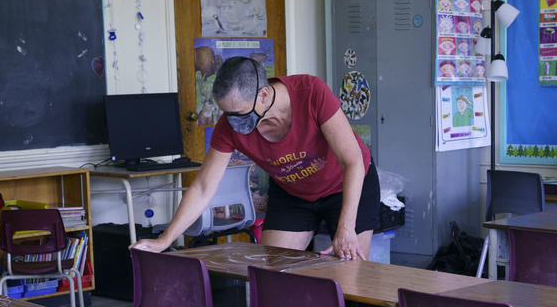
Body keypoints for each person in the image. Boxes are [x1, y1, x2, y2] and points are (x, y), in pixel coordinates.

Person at [131, 57, 380, 260]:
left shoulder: (311, 92)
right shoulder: (228, 127)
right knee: (273, 274)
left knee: (350, 271)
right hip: (293, 194)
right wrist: (164, 240)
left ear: (263, 94)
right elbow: (203, 187)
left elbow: (353, 161)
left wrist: (346, 226)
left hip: (345, 185)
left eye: (238, 113)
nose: (232, 121)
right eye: (226, 113)